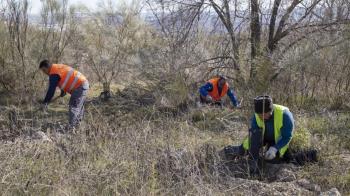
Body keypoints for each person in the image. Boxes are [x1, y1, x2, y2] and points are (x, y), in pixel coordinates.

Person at [224, 95, 317, 174]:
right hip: (262, 137)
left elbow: (287, 137)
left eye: (265, 114)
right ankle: (230, 150)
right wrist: (252, 158)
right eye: (260, 115)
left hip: (278, 141)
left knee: (275, 160)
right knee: (242, 150)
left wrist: (275, 148)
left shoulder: (285, 115)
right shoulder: (257, 115)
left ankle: (311, 154)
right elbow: (254, 136)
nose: (262, 117)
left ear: (270, 110)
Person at [39, 60, 89, 129]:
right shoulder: (57, 67)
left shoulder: (53, 72)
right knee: (78, 107)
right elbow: (64, 78)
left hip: (79, 86)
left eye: (44, 70)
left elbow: (51, 90)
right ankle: (78, 126)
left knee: (74, 106)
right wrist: (63, 91)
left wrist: (45, 102)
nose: (44, 73)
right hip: (83, 83)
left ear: (48, 67)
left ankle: (72, 127)